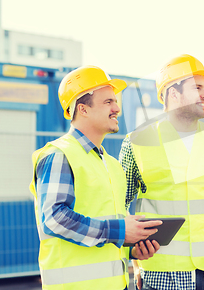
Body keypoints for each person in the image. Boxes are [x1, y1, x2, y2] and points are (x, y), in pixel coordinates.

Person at [30, 65, 163, 290]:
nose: (117, 108)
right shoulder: (59, 155)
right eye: (108, 102)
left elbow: (107, 229)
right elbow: (54, 218)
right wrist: (120, 231)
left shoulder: (111, 164)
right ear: (83, 109)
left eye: (115, 101)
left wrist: (131, 247)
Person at [119, 54, 204, 290]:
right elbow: (116, 203)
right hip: (163, 274)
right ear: (173, 93)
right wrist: (132, 249)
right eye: (197, 87)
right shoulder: (137, 142)